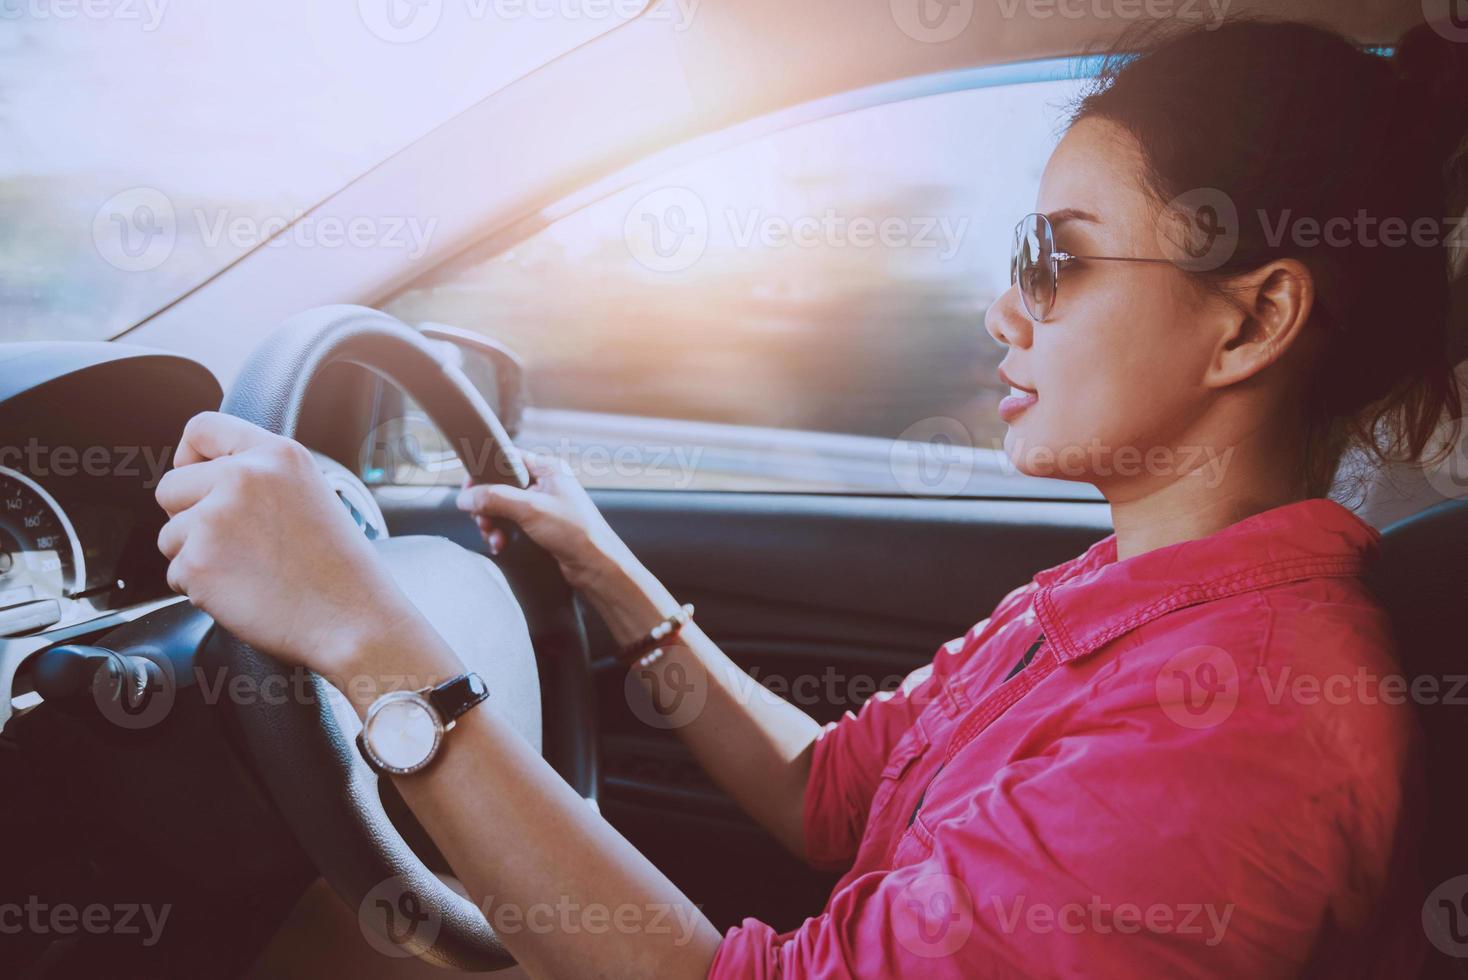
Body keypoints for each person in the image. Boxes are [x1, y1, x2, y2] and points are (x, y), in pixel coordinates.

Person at [156, 17, 1468, 978]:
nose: (1003, 307)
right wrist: (612, 575)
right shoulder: (1123, 593)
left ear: (1253, 325)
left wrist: (373, 645)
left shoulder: (1231, 731)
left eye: (1057, 260)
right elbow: (832, 792)